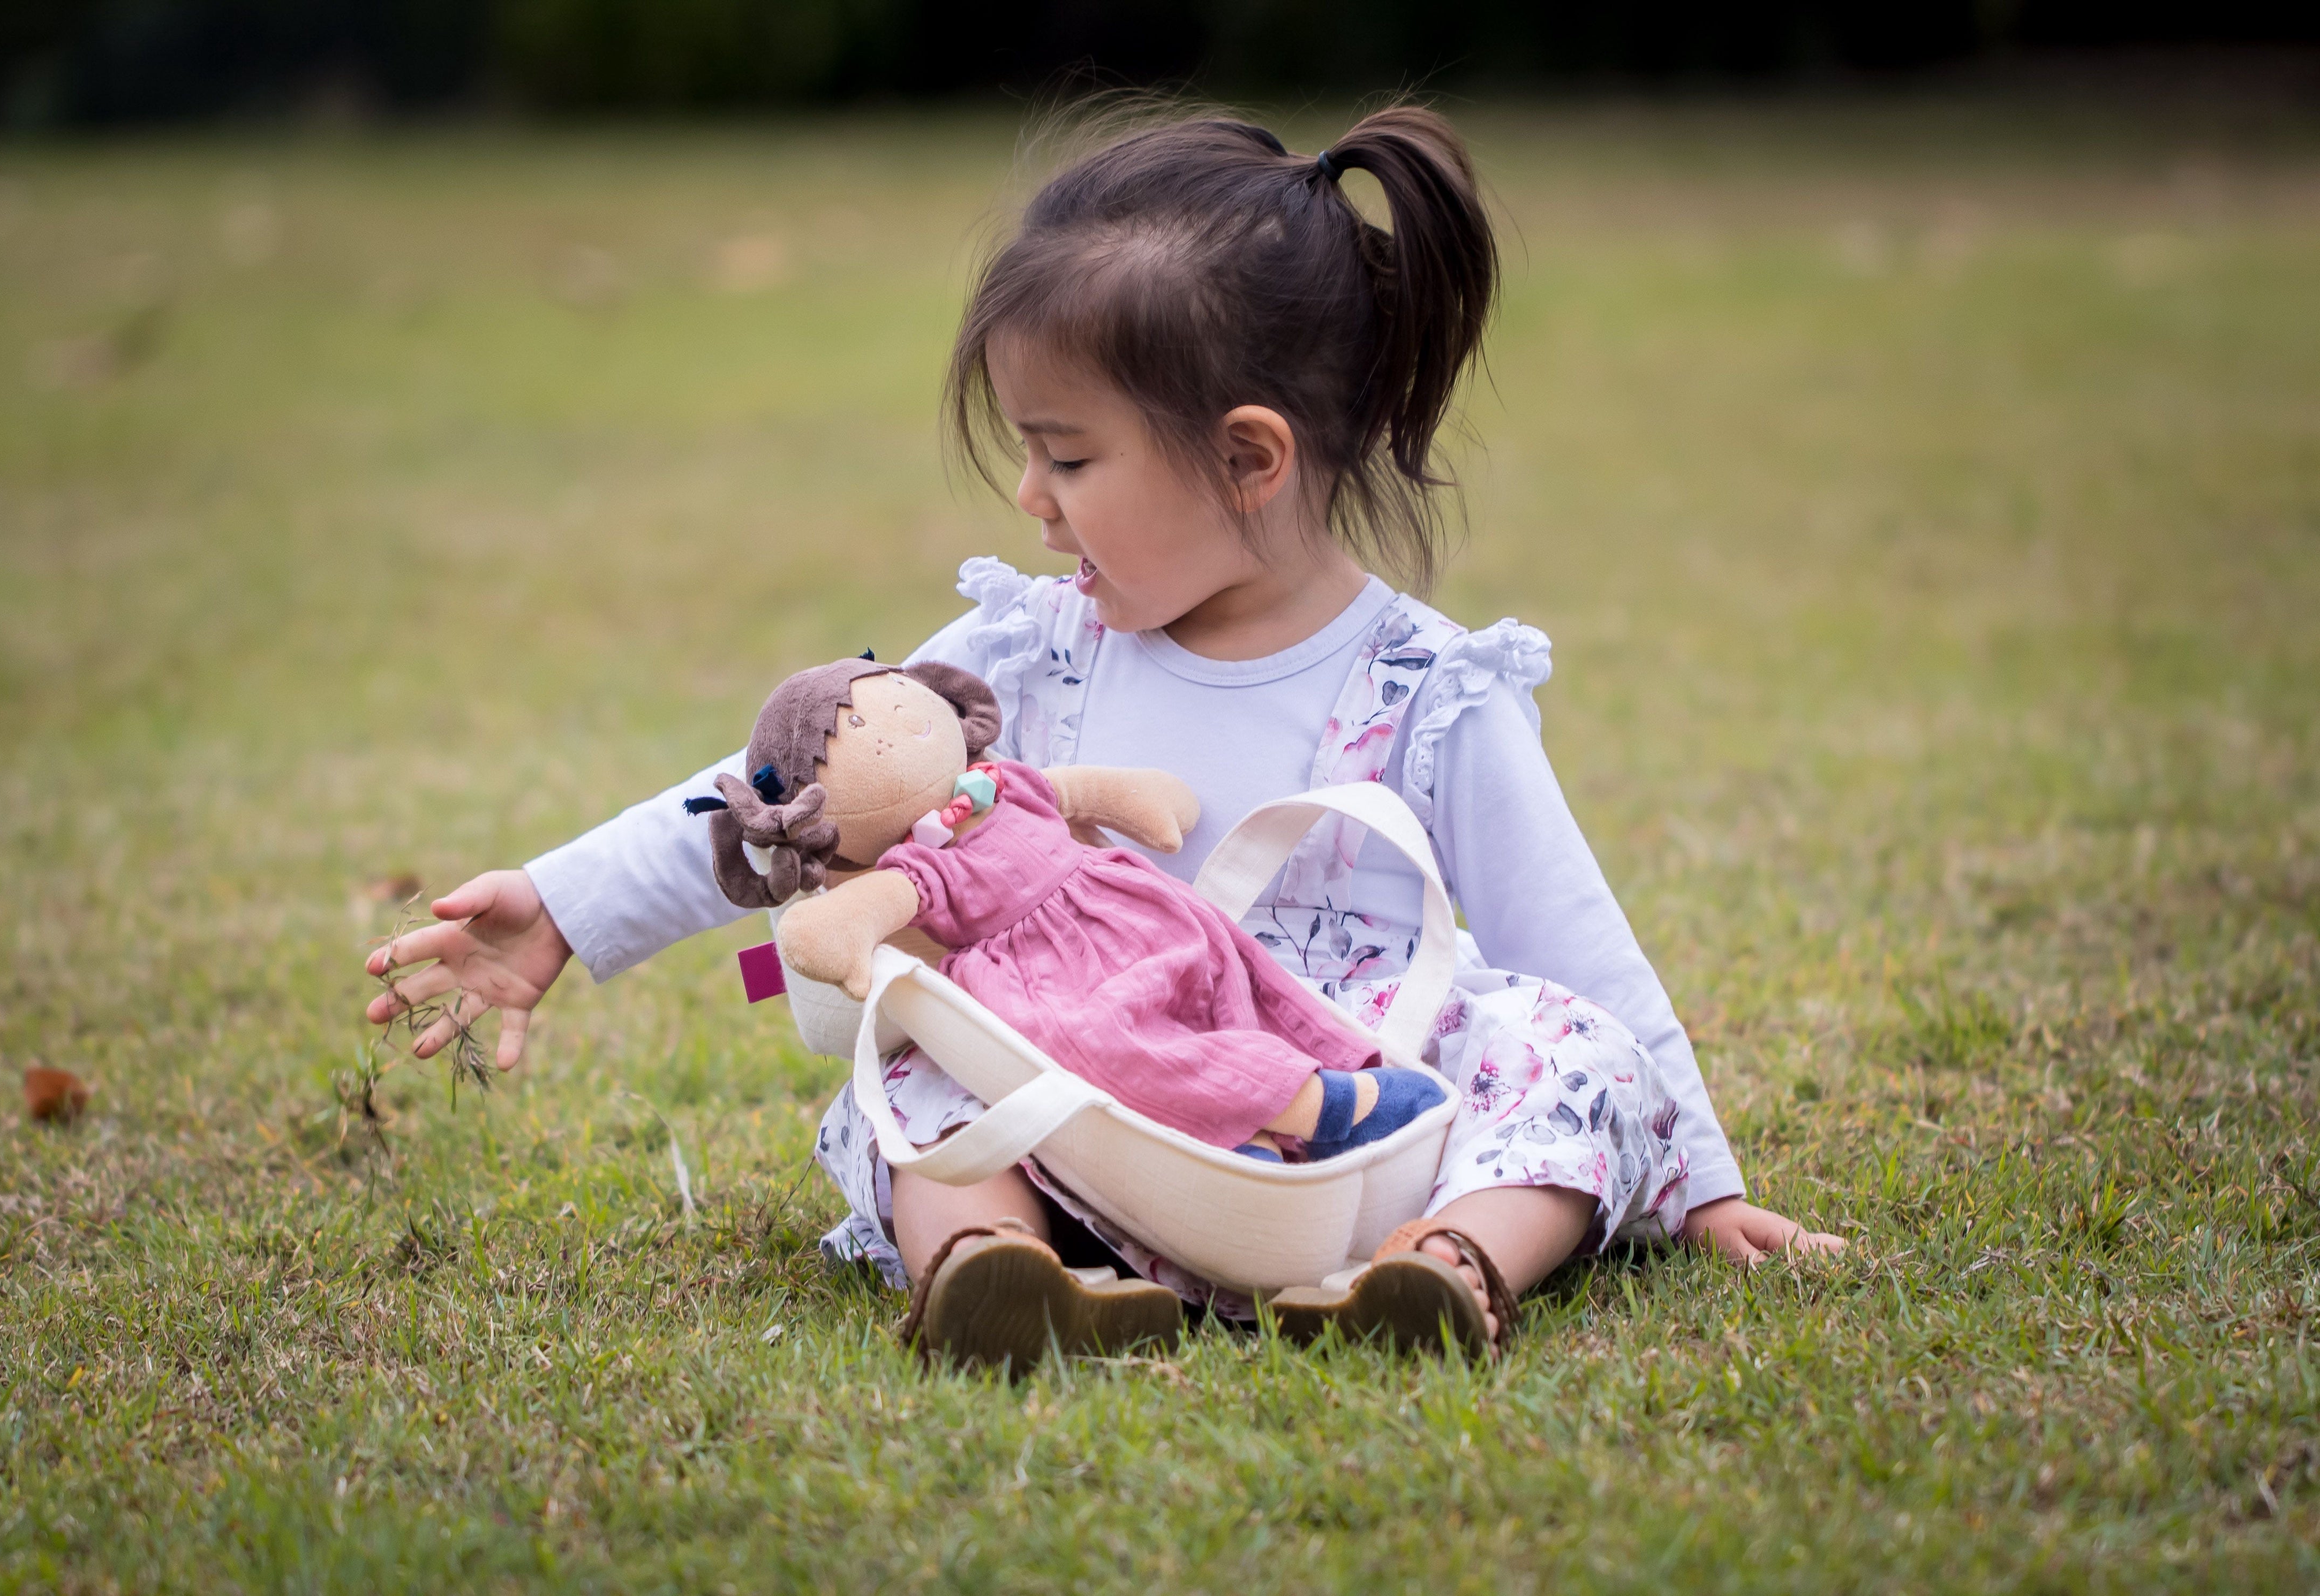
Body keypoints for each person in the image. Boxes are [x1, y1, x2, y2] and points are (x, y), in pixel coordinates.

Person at [366, 103, 1843, 1365]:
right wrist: (568, 904)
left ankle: (1444, 1271)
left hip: (1343, 1130)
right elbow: (801, 794)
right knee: (918, 1073)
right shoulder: (1021, 655)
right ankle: (1001, 1275)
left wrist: (1696, 1185)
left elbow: (1575, 946)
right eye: (1026, 448)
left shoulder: (1431, 690)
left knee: (1564, 1047)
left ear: (1250, 458)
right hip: (1075, 1105)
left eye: (1067, 454)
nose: (1032, 498)